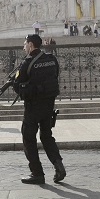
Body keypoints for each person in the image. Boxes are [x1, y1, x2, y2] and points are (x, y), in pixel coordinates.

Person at [13, 34, 66, 185]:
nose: (24, 47)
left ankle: (37, 173)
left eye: (25, 44)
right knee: (47, 136)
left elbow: (18, 86)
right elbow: (54, 77)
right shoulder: (52, 59)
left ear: (30, 45)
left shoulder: (27, 62)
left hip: (33, 107)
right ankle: (58, 165)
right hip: (49, 105)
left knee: (28, 138)